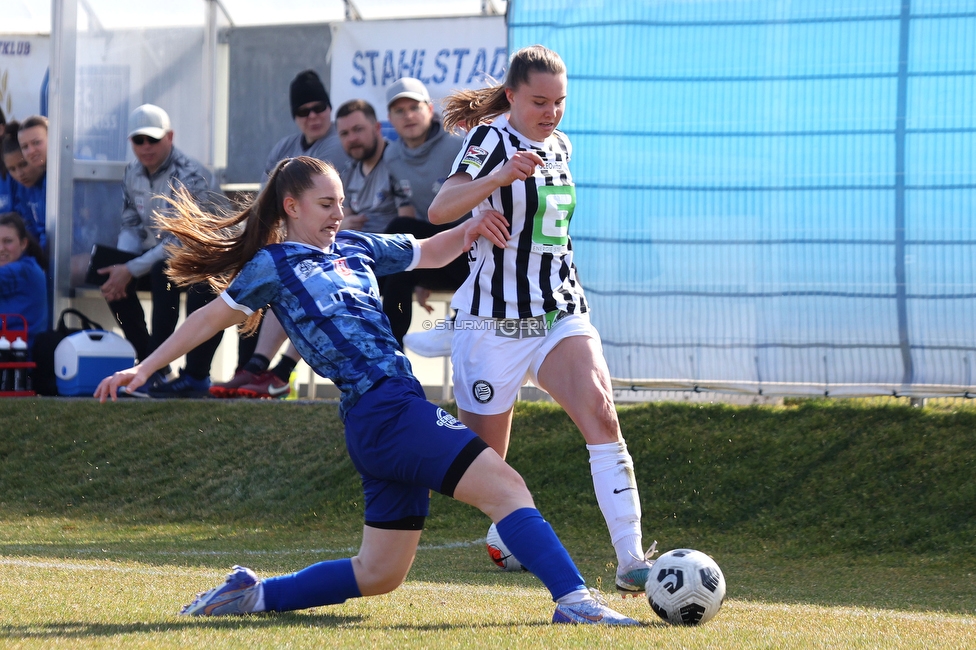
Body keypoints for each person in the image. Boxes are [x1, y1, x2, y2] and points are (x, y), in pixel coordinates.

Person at [94, 156, 639, 626]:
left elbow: (428, 251)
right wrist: (143, 369)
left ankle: (251, 594)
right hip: (386, 410)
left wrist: (472, 228)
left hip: (379, 418)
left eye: (341, 201)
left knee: (379, 574)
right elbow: (210, 318)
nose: (338, 213)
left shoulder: (355, 247)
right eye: (326, 203)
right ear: (291, 207)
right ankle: (573, 601)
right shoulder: (274, 264)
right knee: (508, 487)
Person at [427, 45, 656, 596]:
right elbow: (440, 209)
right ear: (512, 96)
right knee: (485, 469)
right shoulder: (491, 140)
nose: (551, 113)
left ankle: (631, 561)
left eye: (560, 102)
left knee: (602, 413)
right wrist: (494, 183)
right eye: (539, 101)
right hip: (493, 322)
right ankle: (502, 521)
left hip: (557, 309)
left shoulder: (560, 145)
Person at [212, 69, 351, 399]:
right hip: (294, 243)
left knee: (294, 279)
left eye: (319, 108)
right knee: (241, 274)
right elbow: (267, 201)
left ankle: (272, 372)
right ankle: (246, 370)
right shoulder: (284, 148)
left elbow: (334, 214)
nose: (313, 116)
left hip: (335, 245)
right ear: (295, 116)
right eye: (304, 111)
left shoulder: (338, 147)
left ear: (330, 109)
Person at [96, 104, 226, 398]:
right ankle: (151, 365)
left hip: (208, 259)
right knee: (108, 278)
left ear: (170, 137)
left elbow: (181, 241)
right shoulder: (132, 172)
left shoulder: (190, 174)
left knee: (160, 272)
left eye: (153, 139)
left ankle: (168, 368)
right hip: (165, 256)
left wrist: (130, 268)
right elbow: (130, 224)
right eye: (138, 140)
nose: (145, 147)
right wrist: (123, 265)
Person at [381, 77, 469, 350]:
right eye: (399, 110)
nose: (408, 115)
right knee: (400, 257)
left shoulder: (458, 146)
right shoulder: (392, 156)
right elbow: (409, 212)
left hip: (475, 256)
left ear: (430, 110)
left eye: (414, 107)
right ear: (390, 118)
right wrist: (421, 264)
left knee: (399, 236)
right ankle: (391, 355)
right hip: (436, 256)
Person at [335, 99, 404, 233]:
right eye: (344, 133)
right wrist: (342, 227)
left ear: (377, 128)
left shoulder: (398, 164)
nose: (352, 138)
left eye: (358, 129)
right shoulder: (348, 174)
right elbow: (342, 218)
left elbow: (407, 225)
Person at [0, 212, 48, 353]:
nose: (1, 248)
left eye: (8, 241)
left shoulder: (26, 270)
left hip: (19, 364)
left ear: (23, 243)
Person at [14, 116, 48, 250]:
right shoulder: (26, 186)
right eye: (25, 147)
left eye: (37, 142)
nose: (31, 151)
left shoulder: (67, 175)